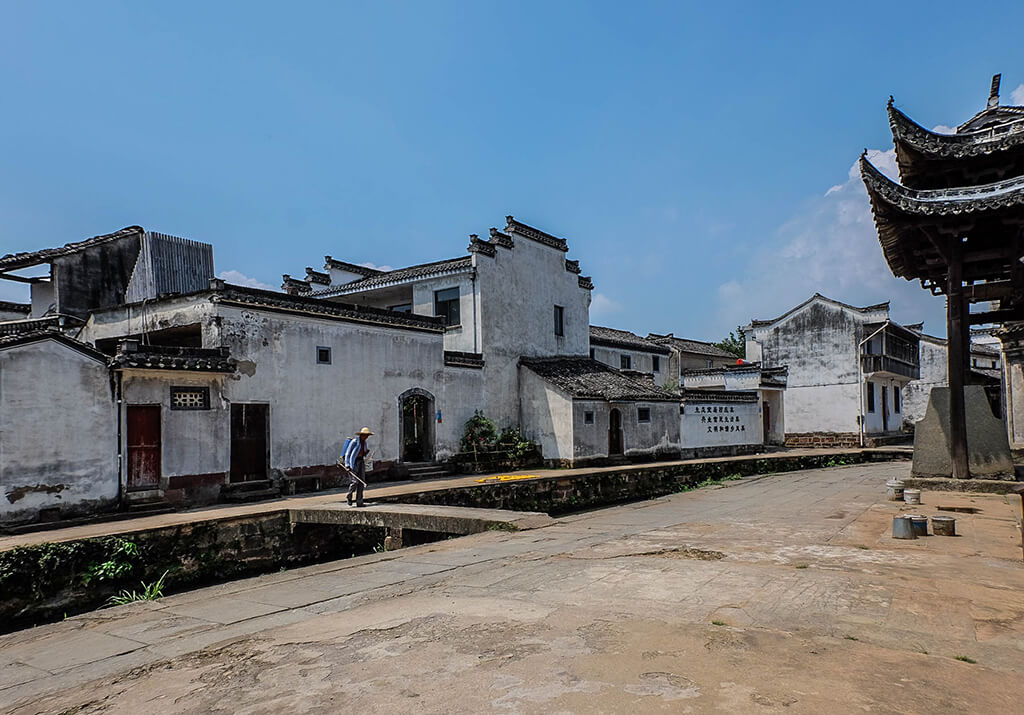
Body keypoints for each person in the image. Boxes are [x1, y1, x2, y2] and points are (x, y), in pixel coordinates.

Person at [344, 427, 373, 507]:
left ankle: (359, 502)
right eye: (365, 435)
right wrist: (347, 465)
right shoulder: (354, 442)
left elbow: (362, 453)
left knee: (361, 481)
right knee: (354, 481)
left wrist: (365, 453)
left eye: (367, 435)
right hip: (353, 462)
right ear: (361, 435)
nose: (366, 437)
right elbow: (348, 453)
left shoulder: (365, 443)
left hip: (361, 462)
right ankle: (349, 495)